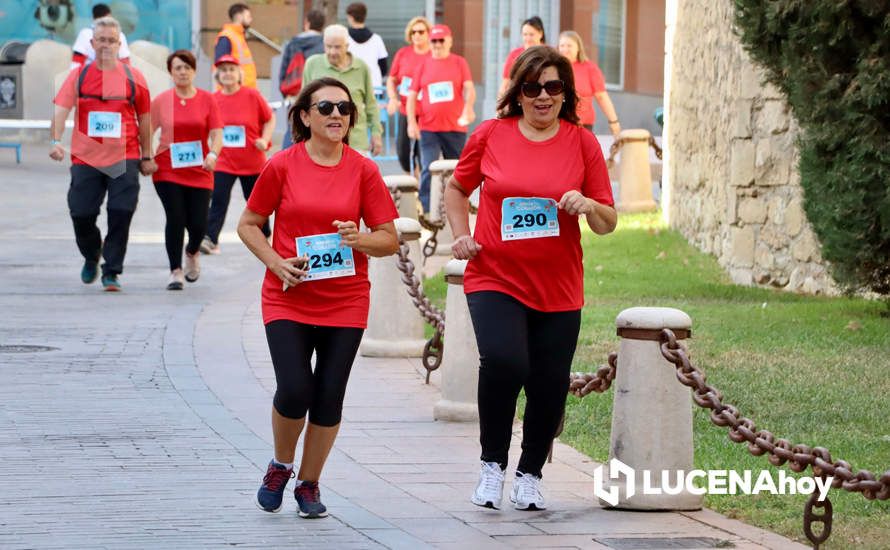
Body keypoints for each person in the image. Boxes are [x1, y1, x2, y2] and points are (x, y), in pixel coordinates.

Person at [444, 45, 617, 511]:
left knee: (549, 382)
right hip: (495, 275)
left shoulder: (582, 144)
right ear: (518, 93)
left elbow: (607, 222)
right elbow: (457, 188)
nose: (543, 96)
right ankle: (491, 465)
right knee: (504, 362)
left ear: (566, 94)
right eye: (532, 87)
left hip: (558, 285)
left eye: (553, 87)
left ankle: (529, 473)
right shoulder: (491, 135)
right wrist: (461, 236)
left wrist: (590, 205)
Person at [238, 77, 398, 518]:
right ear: (305, 116)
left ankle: (308, 484)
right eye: (325, 107)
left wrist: (359, 239)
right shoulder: (282, 165)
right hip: (288, 295)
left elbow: (389, 240)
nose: (336, 115)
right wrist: (275, 261)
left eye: (344, 109)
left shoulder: (363, 170)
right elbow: (249, 222)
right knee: (294, 389)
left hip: (345, 300)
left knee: (328, 395)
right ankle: (280, 464)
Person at [49, 16, 154, 292]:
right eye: (101, 40)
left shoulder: (134, 77)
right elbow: (61, 109)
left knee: (121, 212)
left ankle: (112, 271)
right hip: (86, 157)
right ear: (92, 43)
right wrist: (55, 140)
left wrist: (147, 155)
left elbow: (145, 118)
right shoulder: (79, 75)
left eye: (111, 41)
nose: (106, 45)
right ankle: (92, 253)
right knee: (81, 213)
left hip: (125, 155)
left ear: (119, 44)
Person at [150, 50, 223, 291]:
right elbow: (147, 130)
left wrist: (213, 153)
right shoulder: (161, 101)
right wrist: (147, 155)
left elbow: (217, 132)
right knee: (175, 218)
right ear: (171, 72)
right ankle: (175, 271)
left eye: (186, 67)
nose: (182, 72)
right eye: (177, 68)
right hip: (167, 170)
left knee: (199, 225)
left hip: (200, 170)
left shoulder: (207, 99)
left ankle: (192, 252)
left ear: (194, 71)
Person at [200, 55, 274, 256]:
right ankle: (210, 238)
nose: (227, 74)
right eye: (223, 70)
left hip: (252, 161)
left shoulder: (252, 95)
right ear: (218, 75)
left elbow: (269, 119)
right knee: (218, 198)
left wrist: (264, 140)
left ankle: (264, 233)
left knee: (256, 201)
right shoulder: (213, 99)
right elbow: (207, 127)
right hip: (224, 161)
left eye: (231, 70)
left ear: (239, 74)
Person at [406, 24, 475, 212]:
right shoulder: (423, 65)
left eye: (441, 40)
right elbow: (412, 96)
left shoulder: (459, 62)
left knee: (459, 169)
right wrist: (411, 122)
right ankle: (428, 209)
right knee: (428, 166)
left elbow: (469, 88)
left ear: (449, 41)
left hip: (455, 127)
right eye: (434, 41)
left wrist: (468, 107)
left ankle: (461, 205)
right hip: (429, 127)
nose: (437, 44)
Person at [302, 24, 382, 156]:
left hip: (355, 142)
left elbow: (371, 104)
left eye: (337, 47)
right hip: (320, 143)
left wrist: (376, 133)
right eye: (328, 46)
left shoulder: (361, 67)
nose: (332, 52)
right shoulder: (312, 64)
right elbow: (303, 104)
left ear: (347, 46)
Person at [386, 16, 431, 175]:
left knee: (422, 152)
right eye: (413, 32)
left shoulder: (433, 55)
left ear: (428, 34)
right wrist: (393, 98)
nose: (417, 35)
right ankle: (410, 177)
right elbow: (392, 79)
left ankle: (418, 185)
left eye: (421, 31)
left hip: (426, 111)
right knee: (402, 150)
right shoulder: (403, 53)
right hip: (406, 109)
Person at [558, 30, 621, 136]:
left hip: (583, 125)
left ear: (578, 48)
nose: (565, 49)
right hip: (557, 124)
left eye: (569, 45)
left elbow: (601, 97)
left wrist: (613, 122)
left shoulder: (590, 68)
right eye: (562, 45)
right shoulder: (554, 68)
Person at [279, 9, 325, 150]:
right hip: (317, 94)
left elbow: (284, 71)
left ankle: (286, 163)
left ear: (307, 23)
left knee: (293, 128)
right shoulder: (324, 44)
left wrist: (285, 93)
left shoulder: (293, 43)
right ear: (322, 26)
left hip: (295, 93)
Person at [497, 16, 546, 98]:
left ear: (540, 34)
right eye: (525, 34)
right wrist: (500, 104)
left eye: (531, 34)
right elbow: (505, 83)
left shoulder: (549, 54)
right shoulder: (514, 55)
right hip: (519, 100)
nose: (527, 38)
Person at [344, 2, 389, 89]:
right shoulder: (377, 39)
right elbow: (383, 67)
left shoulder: (344, 39)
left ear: (350, 17)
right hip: (374, 87)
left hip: (350, 88)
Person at [214, 3, 257, 89]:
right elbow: (222, 67)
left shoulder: (238, 36)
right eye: (248, 16)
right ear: (239, 16)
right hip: (234, 90)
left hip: (243, 90)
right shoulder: (227, 36)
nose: (251, 19)